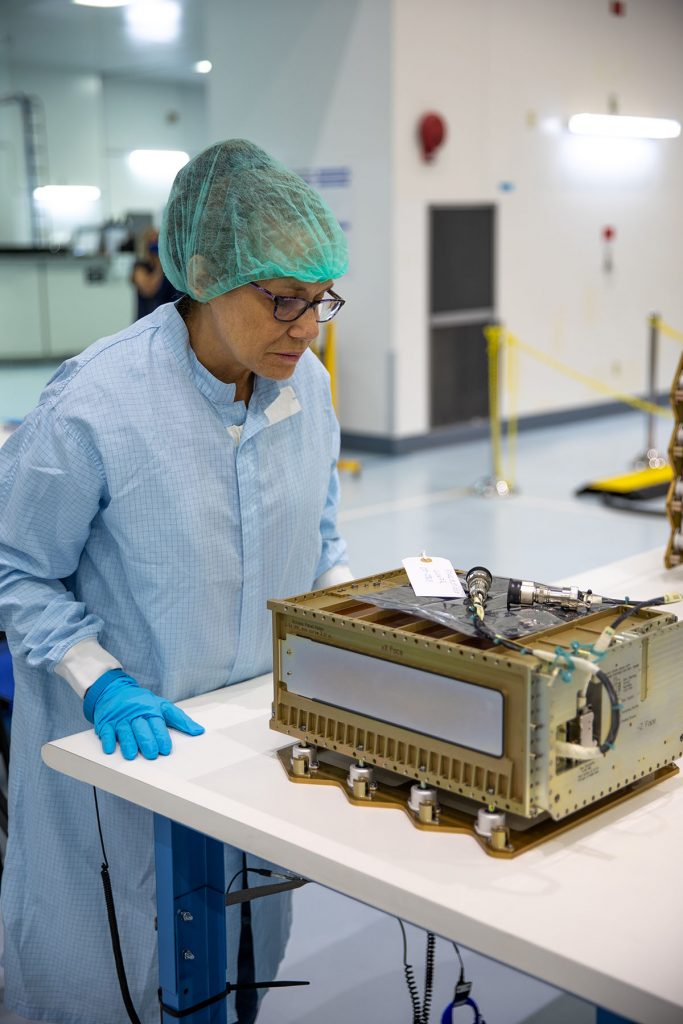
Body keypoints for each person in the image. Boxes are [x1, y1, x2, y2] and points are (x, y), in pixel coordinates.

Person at [0, 138, 351, 1024]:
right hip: (122, 755)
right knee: (115, 975)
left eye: (320, 299)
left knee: (239, 962)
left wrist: (354, 624)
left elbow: (320, 536)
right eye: (282, 299)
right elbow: (15, 566)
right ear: (203, 275)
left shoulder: (305, 388)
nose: (306, 328)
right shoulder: (97, 403)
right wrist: (100, 681)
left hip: (251, 751)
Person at [131, 226, 180, 320]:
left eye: (157, 240)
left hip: (167, 318)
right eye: (151, 241)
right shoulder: (140, 267)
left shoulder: (169, 267)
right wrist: (159, 266)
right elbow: (148, 289)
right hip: (146, 319)